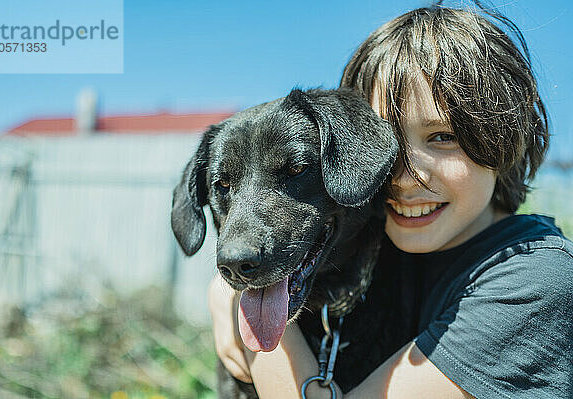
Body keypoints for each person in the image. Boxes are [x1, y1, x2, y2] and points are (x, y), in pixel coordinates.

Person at [208, 2, 573, 398]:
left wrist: (244, 310)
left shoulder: (536, 282)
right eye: (385, 140)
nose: (403, 176)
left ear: (504, 136)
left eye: (442, 137)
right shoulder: (391, 254)